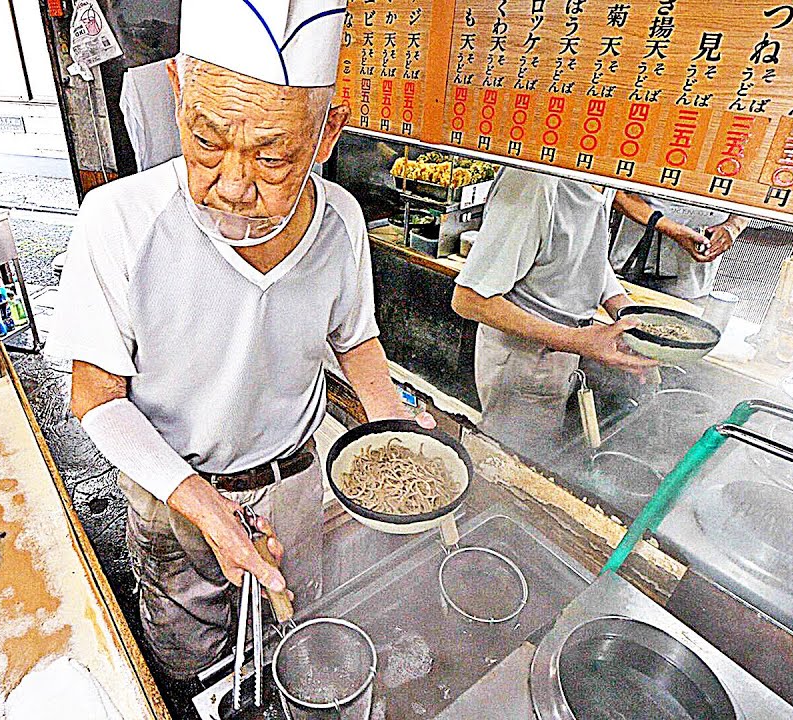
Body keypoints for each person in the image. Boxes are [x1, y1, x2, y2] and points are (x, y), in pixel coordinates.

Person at [48, 0, 428, 680]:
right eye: (206, 141)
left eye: (273, 157)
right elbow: (96, 397)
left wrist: (397, 429)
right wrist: (202, 505)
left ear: (327, 134)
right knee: (193, 664)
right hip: (173, 496)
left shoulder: (340, 220)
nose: (230, 185)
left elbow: (356, 339)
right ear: (177, 94)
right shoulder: (120, 221)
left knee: (297, 636)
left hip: (295, 485)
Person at [451, 169, 657, 464]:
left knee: (540, 455)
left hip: (567, 348)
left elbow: (587, 253)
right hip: (525, 361)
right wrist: (576, 340)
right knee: (512, 466)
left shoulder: (607, 175)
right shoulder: (535, 180)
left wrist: (626, 316)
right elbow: (470, 300)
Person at [610, 192, 749, 300]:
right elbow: (614, 190)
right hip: (634, 256)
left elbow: (755, 194)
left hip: (696, 277)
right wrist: (672, 229)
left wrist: (734, 226)